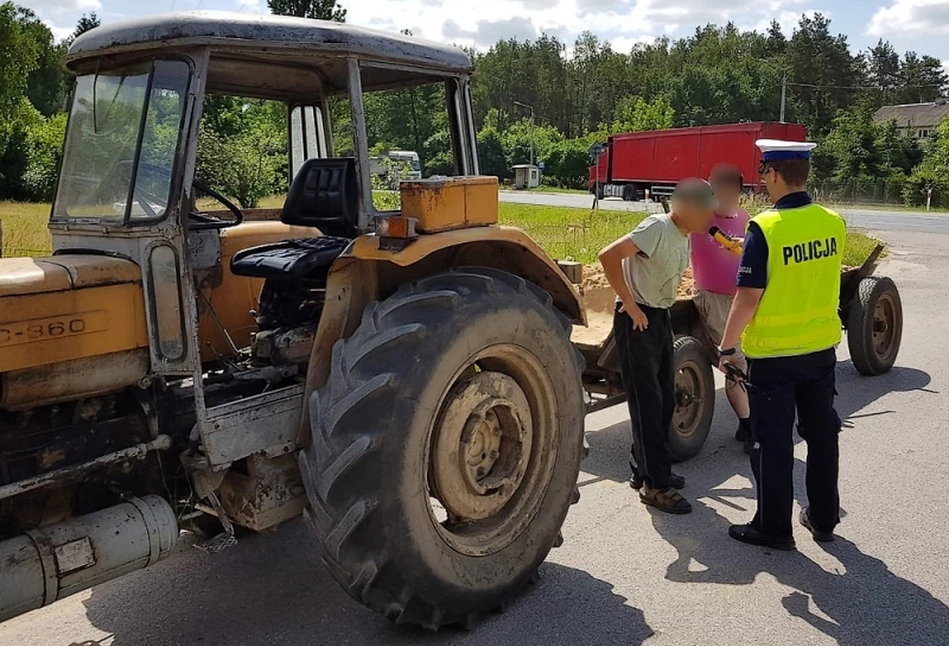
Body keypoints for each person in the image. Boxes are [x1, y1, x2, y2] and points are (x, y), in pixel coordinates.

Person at [717, 139, 846, 550]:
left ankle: (774, 528)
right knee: (822, 435)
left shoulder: (766, 228)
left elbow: (748, 297)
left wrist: (726, 346)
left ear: (772, 174)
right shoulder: (832, 222)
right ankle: (823, 519)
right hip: (821, 351)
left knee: (772, 442)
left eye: (762, 172)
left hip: (774, 355)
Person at [599, 178, 717, 515]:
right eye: (706, 210)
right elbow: (608, 256)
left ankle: (647, 467)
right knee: (647, 403)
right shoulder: (657, 227)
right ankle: (656, 487)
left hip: (659, 317)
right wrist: (630, 304)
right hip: (637, 321)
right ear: (688, 207)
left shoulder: (684, 236)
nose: (711, 217)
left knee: (665, 397)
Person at [691, 164, 752, 453]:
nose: (723, 198)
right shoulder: (701, 219)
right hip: (712, 298)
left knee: (749, 357)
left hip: (743, 297)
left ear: (739, 192)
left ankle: (750, 416)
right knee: (734, 361)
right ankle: (749, 426)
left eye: (730, 191)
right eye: (717, 192)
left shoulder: (745, 219)